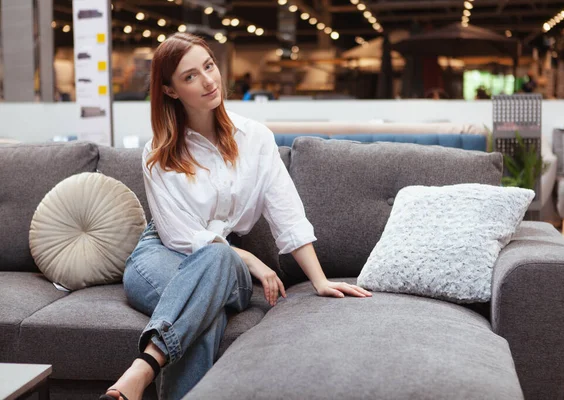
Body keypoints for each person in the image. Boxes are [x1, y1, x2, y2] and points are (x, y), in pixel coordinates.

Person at [100, 32, 372, 400]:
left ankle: (142, 368)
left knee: (216, 260)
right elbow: (180, 236)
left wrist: (320, 281)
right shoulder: (157, 153)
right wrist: (250, 260)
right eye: (190, 76)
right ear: (170, 91)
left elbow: (287, 214)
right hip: (159, 256)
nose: (208, 80)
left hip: (223, 264)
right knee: (205, 312)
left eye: (209, 66)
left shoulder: (255, 138)